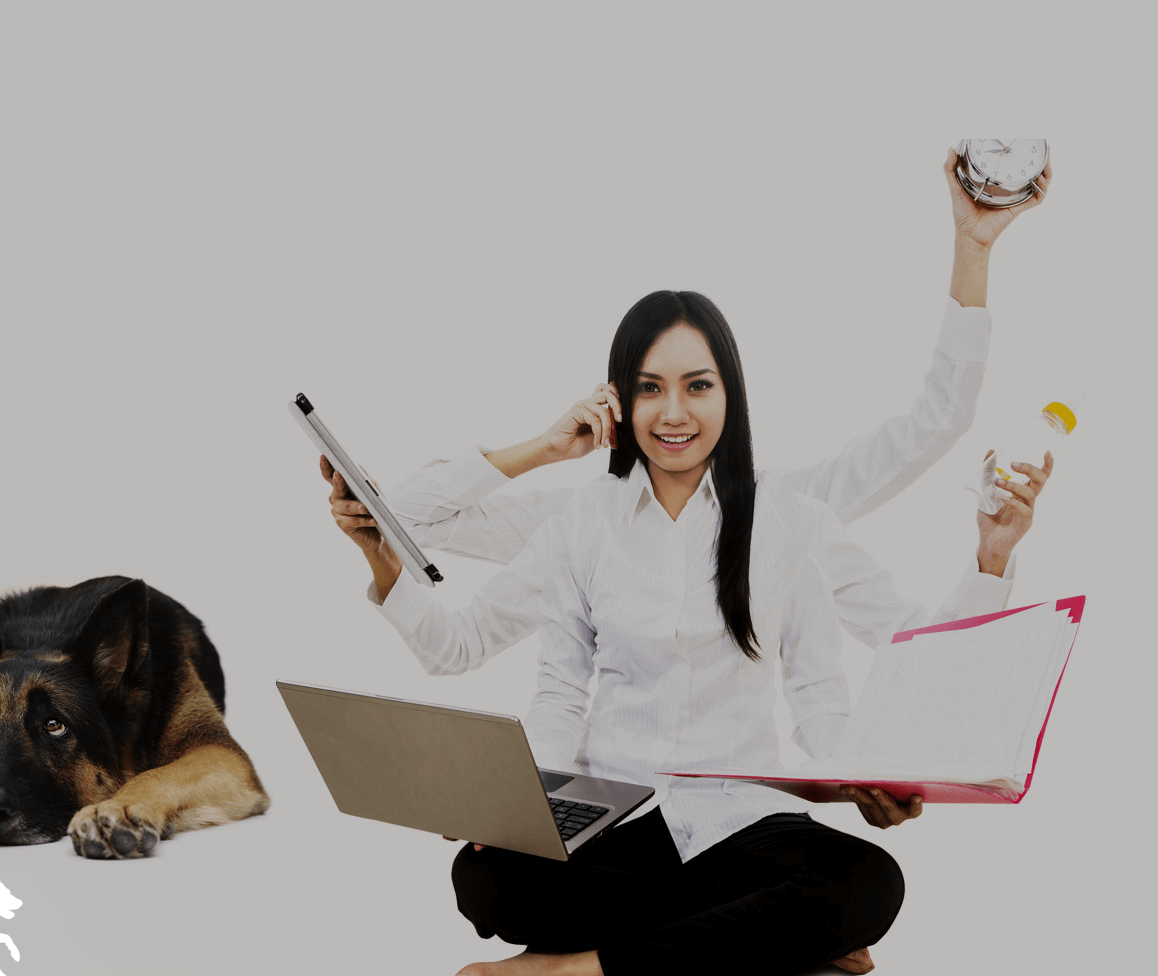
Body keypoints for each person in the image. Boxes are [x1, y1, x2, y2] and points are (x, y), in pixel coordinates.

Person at [318, 154, 1052, 976]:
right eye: (649, 389)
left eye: (697, 386)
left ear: (729, 393)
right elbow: (433, 552)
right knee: (484, 878)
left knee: (869, 881)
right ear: (620, 404)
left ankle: (576, 970)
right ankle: (767, 943)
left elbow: (867, 662)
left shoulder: (789, 515)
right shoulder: (579, 521)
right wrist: (545, 447)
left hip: (744, 825)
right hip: (614, 822)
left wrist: (991, 557)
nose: (674, 413)